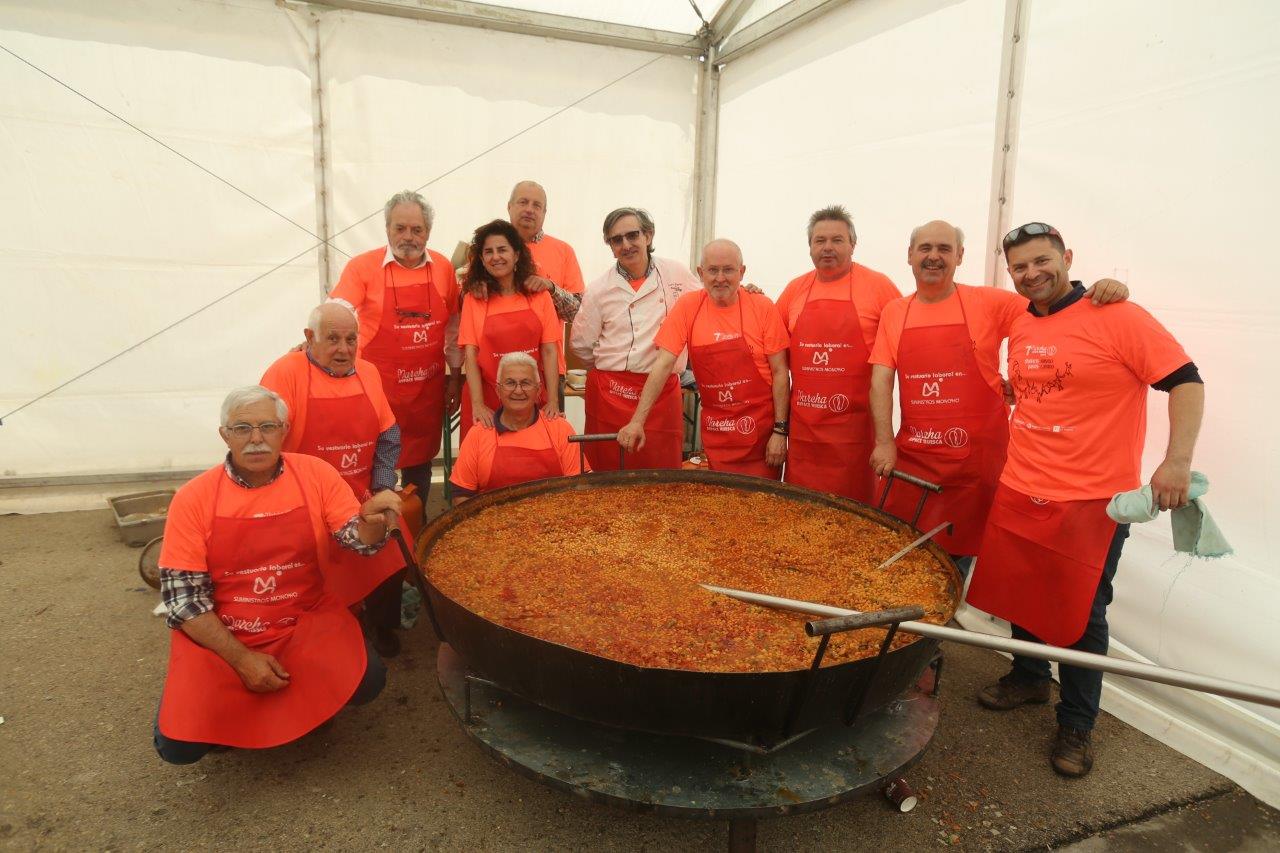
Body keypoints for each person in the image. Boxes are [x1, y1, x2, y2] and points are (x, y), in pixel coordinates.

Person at [966, 223, 1204, 778]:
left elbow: (1187, 381)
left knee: (1082, 611)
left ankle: (1077, 723)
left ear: (1067, 257)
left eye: (1042, 260)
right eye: (1020, 267)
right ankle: (1028, 678)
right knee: (1021, 591)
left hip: (1093, 497)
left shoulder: (1118, 315)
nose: (1032, 273)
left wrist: (1177, 462)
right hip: (1022, 482)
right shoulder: (1021, 323)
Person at [154, 386, 401, 764]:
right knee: (177, 748)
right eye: (242, 428)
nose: (256, 439)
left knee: (369, 681)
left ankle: (305, 709)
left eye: (267, 426)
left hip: (302, 620)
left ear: (283, 430)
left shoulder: (315, 474)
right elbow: (184, 602)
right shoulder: (193, 498)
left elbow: (359, 541)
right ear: (224, 435)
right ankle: (238, 727)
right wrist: (241, 659)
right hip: (227, 631)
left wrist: (372, 523)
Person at [868, 221, 1129, 565]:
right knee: (906, 558)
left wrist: (1099, 291)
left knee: (961, 559)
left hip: (980, 462)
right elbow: (881, 380)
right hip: (915, 457)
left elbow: (1053, 313)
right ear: (909, 256)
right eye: (925, 248)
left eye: (944, 249)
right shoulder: (895, 311)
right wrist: (884, 441)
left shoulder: (989, 302)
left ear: (960, 256)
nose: (934, 256)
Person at [261, 303, 410, 657]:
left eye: (350, 339)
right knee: (313, 569)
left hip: (361, 493)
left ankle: (382, 623)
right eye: (332, 339)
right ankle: (335, 631)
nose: (344, 349)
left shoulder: (369, 372)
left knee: (395, 546)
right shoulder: (284, 374)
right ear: (309, 338)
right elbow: (265, 444)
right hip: (304, 499)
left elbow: (389, 436)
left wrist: (384, 486)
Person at [328, 190, 462, 515]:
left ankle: (418, 523)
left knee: (420, 466)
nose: (408, 237)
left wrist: (454, 378)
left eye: (417, 230)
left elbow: (455, 328)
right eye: (400, 228)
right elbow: (339, 308)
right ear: (387, 228)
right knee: (375, 464)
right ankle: (377, 532)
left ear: (428, 232)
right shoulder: (362, 267)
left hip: (424, 392)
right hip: (376, 391)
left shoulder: (443, 267)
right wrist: (321, 333)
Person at [618, 239, 789, 479]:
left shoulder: (762, 307)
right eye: (713, 270)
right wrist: (637, 421)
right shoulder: (689, 307)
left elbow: (781, 372)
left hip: (762, 440)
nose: (720, 278)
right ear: (700, 273)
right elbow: (663, 365)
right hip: (718, 437)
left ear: (742, 272)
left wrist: (781, 432)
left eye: (728, 270)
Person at [774, 205, 901, 502]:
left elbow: (905, 344)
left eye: (837, 240)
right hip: (805, 431)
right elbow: (772, 346)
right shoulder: (795, 290)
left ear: (853, 245)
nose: (827, 247)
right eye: (820, 241)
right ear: (809, 247)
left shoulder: (879, 287)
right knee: (802, 511)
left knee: (855, 518)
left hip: (856, 433)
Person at [570, 207, 701, 471]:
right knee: (608, 470)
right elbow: (581, 344)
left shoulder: (677, 274)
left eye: (633, 235)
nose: (626, 245)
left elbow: (706, 303)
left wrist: (745, 289)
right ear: (610, 246)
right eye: (616, 240)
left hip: (661, 390)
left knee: (659, 471)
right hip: (610, 392)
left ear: (648, 236)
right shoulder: (599, 289)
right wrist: (611, 369)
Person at [458, 219, 562, 441]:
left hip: (528, 399)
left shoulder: (538, 295)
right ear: (482, 260)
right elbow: (471, 354)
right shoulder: (474, 298)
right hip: (486, 399)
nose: (496, 257)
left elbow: (550, 351)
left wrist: (553, 400)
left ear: (516, 255)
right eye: (488, 252)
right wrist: (478, 405)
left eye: (502, 250)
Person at [450, 352, 588, 503]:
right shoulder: (478, 434)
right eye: (510, 383)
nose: (518, 390)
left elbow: (579, 487)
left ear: (538, 390)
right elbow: (461, 495)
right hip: (493, 523)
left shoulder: (560, 429)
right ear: (498, 390)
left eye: (526, 383)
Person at [507, 180, 585, 321]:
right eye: (523, 202)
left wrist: (551, 288)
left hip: (548, 342)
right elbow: (463, 302)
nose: (529, 209)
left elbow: (579, 314)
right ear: (509, 207)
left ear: (544, 213)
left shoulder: (564, 251)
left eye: (537, 205)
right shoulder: (487, 249)